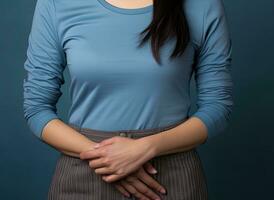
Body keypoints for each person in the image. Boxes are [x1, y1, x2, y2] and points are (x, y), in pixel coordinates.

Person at [22, 0, 233, 199]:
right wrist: (108, 159)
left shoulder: (202, 5)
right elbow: (37, 109)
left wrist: (147, 148)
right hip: (83, 177)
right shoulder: (57, 3)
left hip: (171, 178)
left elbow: (217, 106)